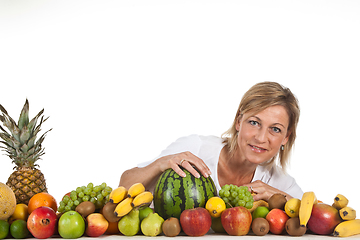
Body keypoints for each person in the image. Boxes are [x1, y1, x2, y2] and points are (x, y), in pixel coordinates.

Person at [119, 81, 303, 201]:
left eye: (275, 129)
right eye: (254, 122)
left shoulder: (279, 182)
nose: (261, 138)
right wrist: (160, 164)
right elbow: (124, 185)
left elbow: (320, 219)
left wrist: (281, 198)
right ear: (239, 121)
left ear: (286, 137)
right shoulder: (194, 148)